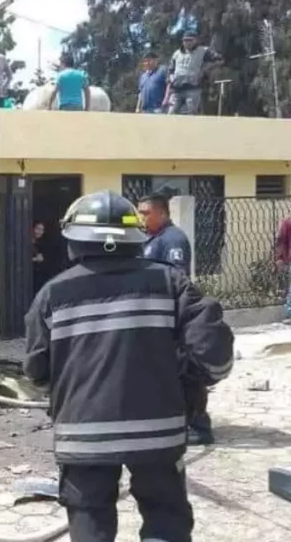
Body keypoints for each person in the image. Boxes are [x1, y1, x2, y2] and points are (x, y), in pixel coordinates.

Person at [24, 190, 234, 542]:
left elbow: (36, 372)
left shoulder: (51, 294)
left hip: (83, 436)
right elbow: (214, 353)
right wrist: (188, 384)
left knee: (90, 520)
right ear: (135, 237)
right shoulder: (171, 283)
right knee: (166, 520)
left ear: (73, 240)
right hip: (159, 433)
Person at [136, 193, 214, 445]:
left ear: (162, 213)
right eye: (140, 212)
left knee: (185, 372)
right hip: (154, 315)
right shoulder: (150, 237)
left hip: (173, 316)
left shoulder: (173, 240)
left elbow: (177, 281)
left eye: (146, 212)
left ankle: (199, 427)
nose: (141, 216)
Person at [165, 31, 223, 115]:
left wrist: (206, 69)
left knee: (191, 113)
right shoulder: (176, 53)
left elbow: (220, 60)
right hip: (177, 89)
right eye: (185, 40)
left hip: (193, 88)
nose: (187, 42)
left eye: (190, 40)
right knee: (171, 113)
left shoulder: (203, 51)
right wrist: (171, 78)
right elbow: (170, 69)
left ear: (196, 40)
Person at [32, 221, 49, 294]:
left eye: (42, 230)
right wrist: (35, 259)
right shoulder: (25, 242)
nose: (40, 232)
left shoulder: (39, 244)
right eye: (38, 229)